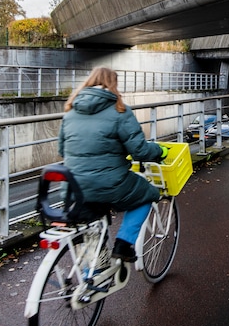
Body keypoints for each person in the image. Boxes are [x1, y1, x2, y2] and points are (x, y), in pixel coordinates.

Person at [59, 67, 168, 264]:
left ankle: (91, 271)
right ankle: (123, 245)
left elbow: (62, 150)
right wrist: (160, 151)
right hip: (110, 183)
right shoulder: (120, 111)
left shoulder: (70, 111)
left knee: (91, 220)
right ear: (113, 84)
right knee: (148, 194)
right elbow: (140, 151)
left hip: (74, 186)